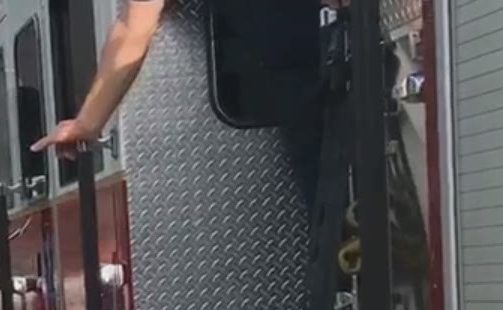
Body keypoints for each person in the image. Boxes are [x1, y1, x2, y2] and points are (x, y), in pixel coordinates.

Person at [32, 0, 330, 210]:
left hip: (359, 57)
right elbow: (134, 26)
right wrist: (88, 122)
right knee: (339, 224)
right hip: (305, 93)